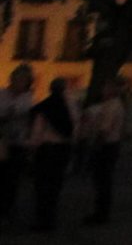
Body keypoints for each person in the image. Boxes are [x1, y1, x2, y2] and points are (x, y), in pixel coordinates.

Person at [28, 77, 76, 231]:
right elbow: (76, 127)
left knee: (42, 186)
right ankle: (50, 219)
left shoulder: (44, 107)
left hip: (46, 150)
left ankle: (42, 220)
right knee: (55, 186)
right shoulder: (71, 106)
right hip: (63, 149)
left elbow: (37, 131)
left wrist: (32, 148)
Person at [83, 78, 126, 225]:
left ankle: (101, 213)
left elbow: (104, 129)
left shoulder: (112, 106)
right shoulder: (113, 105)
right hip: (111, 145)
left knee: (102, 181)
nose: (103, 90)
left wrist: (96, 146)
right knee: (103, 180)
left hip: (106, 146)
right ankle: (101, 212)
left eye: (106, 88)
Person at [0, 64, 34, 223]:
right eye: (17, 78)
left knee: (12, 177)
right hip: (2, 141)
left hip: (17, 143)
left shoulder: (28, 98)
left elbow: (26, 116)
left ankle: (7, 208)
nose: (19, 82)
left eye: (23, 80)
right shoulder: (2, 94)